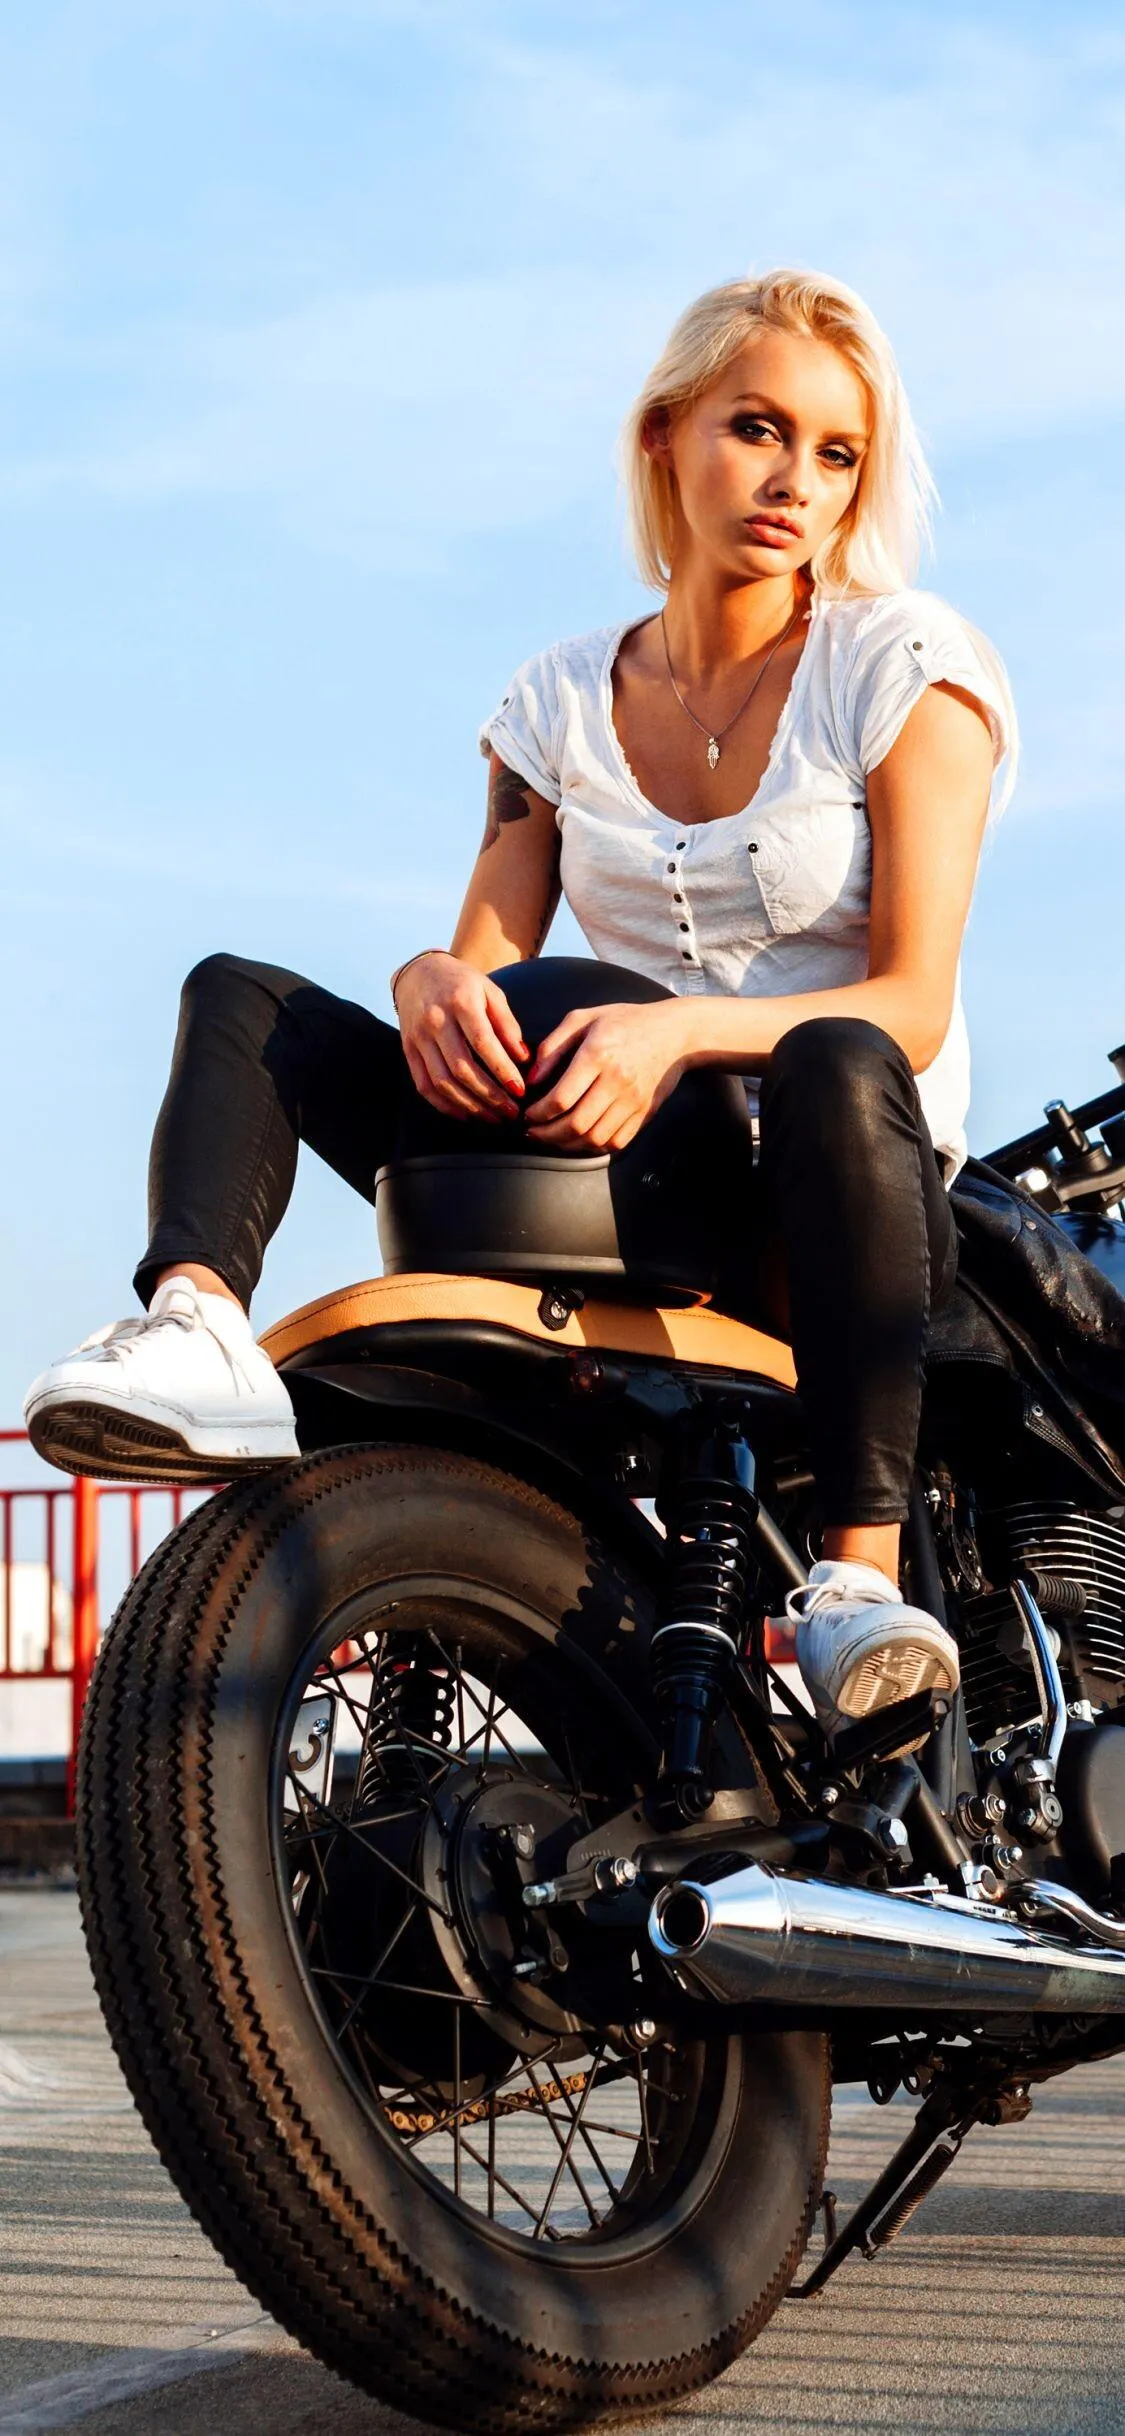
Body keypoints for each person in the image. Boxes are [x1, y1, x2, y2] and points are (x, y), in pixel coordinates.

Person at [24, 269, 1015, 1734]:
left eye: (835, 453)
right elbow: (484, 955)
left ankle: (855, 1587)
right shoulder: (558, 698)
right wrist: (430, 983)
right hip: (628, 1170)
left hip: (834, 1199)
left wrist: (673, 1028)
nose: (795, 482)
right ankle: (195, 1327)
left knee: (838, 1055)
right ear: (667, 435)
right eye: (758, 429)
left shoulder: (900, 664)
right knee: (241, 995)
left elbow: (914, 1004)